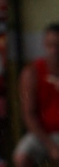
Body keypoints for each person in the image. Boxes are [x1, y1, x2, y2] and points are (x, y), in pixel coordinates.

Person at [16, 24, 59, 166]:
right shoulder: (32, 73)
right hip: (42, 135)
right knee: (21, 157)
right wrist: (50, 146)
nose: (54, 51)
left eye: (58, 46)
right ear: (44, 45)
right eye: (50, 45)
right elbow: (29, 115)